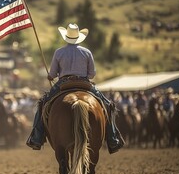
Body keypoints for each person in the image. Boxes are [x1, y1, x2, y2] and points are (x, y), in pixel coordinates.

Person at [26, 23, 125, 154]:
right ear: (79, 37)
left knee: (42, 104)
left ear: (66, 37)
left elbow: (53, 73)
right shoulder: (87, 52)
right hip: (84, 83)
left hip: (63, 83)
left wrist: (50, 76)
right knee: (108, 105)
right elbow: (92, 74)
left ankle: (37, 138)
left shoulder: (59, 52)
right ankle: (113, 139)